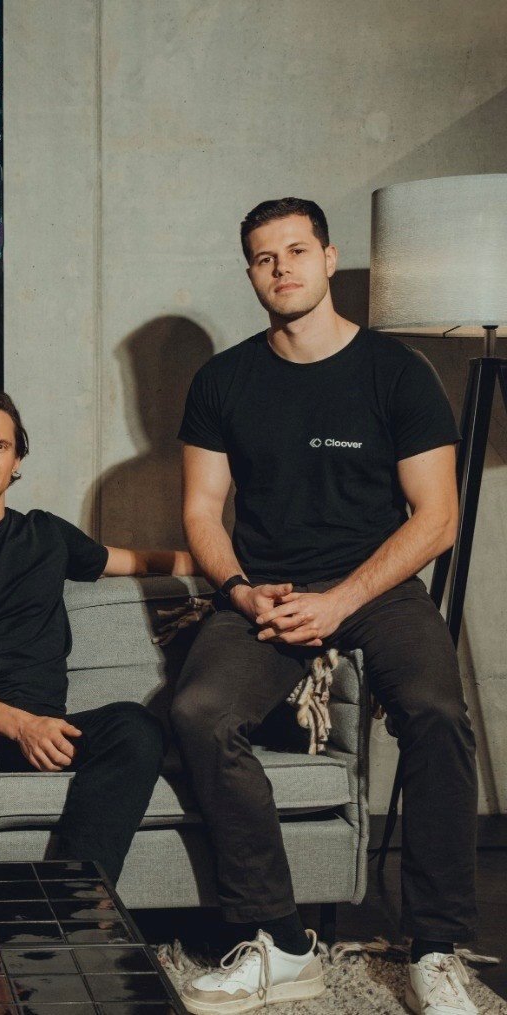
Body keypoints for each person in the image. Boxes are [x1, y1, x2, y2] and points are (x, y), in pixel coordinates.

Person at [172, 198, 475, 1015]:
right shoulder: (223, 381)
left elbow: (437, 518)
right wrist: (240, 589)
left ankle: (436, 947)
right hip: (267, 590)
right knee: (199, 712)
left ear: (329, 258)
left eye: (297, 250)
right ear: (250, 272)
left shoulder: (397, 372)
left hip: (376, 584)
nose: (283, 268)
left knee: (439, 713)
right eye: (265, 257)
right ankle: (282, 943)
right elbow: (201, 510)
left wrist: (341, 600)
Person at [0, 390, 192, 882]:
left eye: (1, 446)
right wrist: (22, 726)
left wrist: (231, 570)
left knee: (136, 727)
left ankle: (76, 896)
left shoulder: (45, 534)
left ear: (16, 461)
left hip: (51, 736)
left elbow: (141, 561)